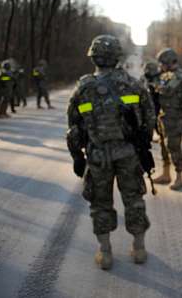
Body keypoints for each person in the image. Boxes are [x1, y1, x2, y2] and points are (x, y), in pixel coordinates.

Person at [66, 34, 155, 270]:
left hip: (98, 156)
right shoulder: (133, 84)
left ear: (93, 57)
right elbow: (149, 119)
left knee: (100, 203)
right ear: (117, 58)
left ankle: (105, 252)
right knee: (134, 200)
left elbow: (74, 128)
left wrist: (78, 156)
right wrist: (142, 144)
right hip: (128, 153)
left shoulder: (84, 89)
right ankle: (139, 248)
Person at [155, 48, 182, 191]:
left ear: (167, 62)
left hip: (174, 116)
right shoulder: (168, 75)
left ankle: (179, 178)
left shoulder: (178, 76)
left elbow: (167, 91)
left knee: (173, 146)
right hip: (164, 115)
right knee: (163, 145)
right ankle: (166, 174)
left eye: (162, 63)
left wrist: (154, 85)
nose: (160, 66)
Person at [139, 60, 172, 184]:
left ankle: (167, 173)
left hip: (159, 116)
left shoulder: (160, 81)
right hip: (149, 117)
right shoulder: (144, 81)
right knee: (143, 144)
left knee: (165, 144)